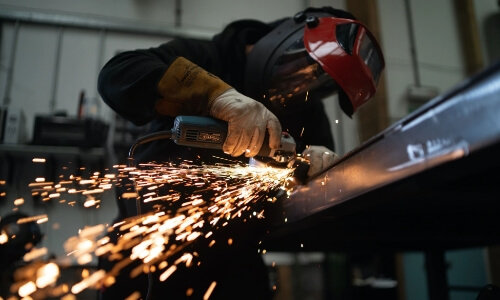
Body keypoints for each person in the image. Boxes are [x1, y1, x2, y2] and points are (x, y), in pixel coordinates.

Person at [97, 6, 384, 299]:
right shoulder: (208, 57)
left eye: (322, 84)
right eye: (305, 68)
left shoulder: (305, 106)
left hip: (232, 263)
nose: (303, 85)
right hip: (144, 254)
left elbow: (312, 199)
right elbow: (117, 74)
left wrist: (315, 174)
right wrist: (215, 95)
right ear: (288, 37)